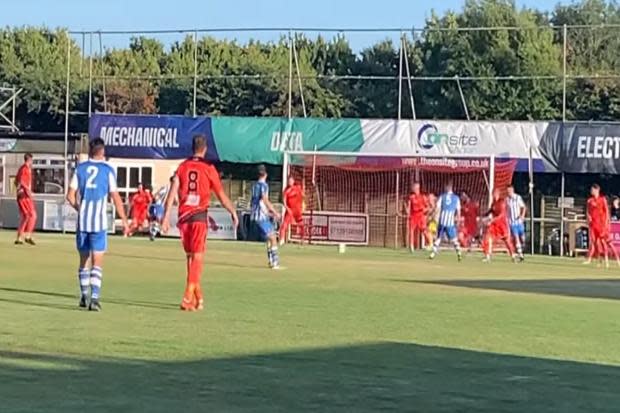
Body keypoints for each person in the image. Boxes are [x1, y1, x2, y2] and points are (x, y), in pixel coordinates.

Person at [162, 135, 238, 311]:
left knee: (190, 257)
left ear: (192, 148)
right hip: (198, 217)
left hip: (183, 217)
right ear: (205, 149)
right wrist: (232, 211)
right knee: (198, 257)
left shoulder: (182, 167)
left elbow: (172, 193)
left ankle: (198, 297)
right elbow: (221, 195)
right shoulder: (209, 169)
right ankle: (188, 297)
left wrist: (166, 217)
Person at [66, 138, 129, 311]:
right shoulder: (108, 170)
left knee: (83, 260)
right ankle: (94, 298)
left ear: (90, 150)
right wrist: (124, 219)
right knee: (97, 261)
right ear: (102, 151)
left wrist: (80, 208)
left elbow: (70, 196)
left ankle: (84, 295)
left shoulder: (80, 169)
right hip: (99, 223)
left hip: (83, 223)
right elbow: (115, 196)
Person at [251, 165, 282, 269]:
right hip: (261, 217)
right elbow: (264, 200)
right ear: (266, 174)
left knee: (269, 239)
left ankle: (271, 261)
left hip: (257, 215)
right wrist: (275, 211)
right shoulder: (264, 185)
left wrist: (269, 213)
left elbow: (257, 203)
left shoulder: (254, 185)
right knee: (273, 238)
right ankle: (275, 262)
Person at [583, 184, 620, 267]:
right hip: (593, 225)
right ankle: (599, 260)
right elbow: (588, 211)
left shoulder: (602, 199)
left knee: (607, 242)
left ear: (597, 190)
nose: (591, 191)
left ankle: (615, 260)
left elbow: (607, 211)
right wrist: (588, 218)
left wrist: (607, 223)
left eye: (593, 190)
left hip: (601, 225)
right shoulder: (590, 201)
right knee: (595, 243)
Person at [430, 183, 462, 261]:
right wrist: (458, 219)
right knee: (454, 239)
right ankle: (458, 252)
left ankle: (433, 253)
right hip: (450, 222)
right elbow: (458, 211)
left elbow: (437, 208)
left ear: (447, 187)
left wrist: (432, 216)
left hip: (442, 222)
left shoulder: (442, 196)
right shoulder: (456, 198)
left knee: (439, 238)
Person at [482, 188, 516, 263]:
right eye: (492, 194)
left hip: (502, 225)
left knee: (507, 241)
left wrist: (491, 220)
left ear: (498, 194)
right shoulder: (493, 203)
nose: (493, 195)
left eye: (494, 193)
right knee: (487, 237)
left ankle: (513, 256)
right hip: (494, 225)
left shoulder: (502, 202)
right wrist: (484, 215)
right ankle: (487, 256)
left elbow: (501, 215)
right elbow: (491, 210)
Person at [15, 153, 37, 245]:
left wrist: (18, 189)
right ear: (29, 160)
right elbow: (22, 182)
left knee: (26, 216)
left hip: (22, 195)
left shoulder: (22, 168)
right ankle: (27, 236)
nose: (32, 162)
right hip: (24, 196)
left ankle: (20, 237)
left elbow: (17, 181)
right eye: (32, 160)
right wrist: (28, 192)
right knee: (32, 215)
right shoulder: (25, 169)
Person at [279, 176, 305, 245]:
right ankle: (281, 239)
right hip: (290, 210)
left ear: (293, 181)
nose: (289, 182)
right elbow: (284, 202)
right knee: (284, 225)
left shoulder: (297, 188)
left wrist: (302, 205)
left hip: (297, 211)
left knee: (301, 225)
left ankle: (302, 240)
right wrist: (287, 209)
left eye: (291, 181)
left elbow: (303, 196)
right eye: (288, 181)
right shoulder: (286, 190)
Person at [405, 182, 429, 252]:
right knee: (411, 230)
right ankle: (411, 246)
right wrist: (408, 211)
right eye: (414, 187)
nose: (414, 189)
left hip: (420, 215)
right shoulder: (411, 197)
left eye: (415, 187)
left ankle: (430, 244)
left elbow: (428, 207)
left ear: (418, 188)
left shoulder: (423, 197)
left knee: (424, 230)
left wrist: (425, 210)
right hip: (413, 215)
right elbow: (408, 205)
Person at [506, 185, 527, 261]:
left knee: (523, 238)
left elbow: (524, 207)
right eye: (507, 191)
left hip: (519, 222)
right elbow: (507, 210)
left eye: (509, 191)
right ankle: (520, 255)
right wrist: (507, 220)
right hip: (512, 222)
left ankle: (522, 249)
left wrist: (522, 216)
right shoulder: (507, 200)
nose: (508, 192)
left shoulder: (518, 198)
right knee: (516, 237)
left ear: (512, 190)